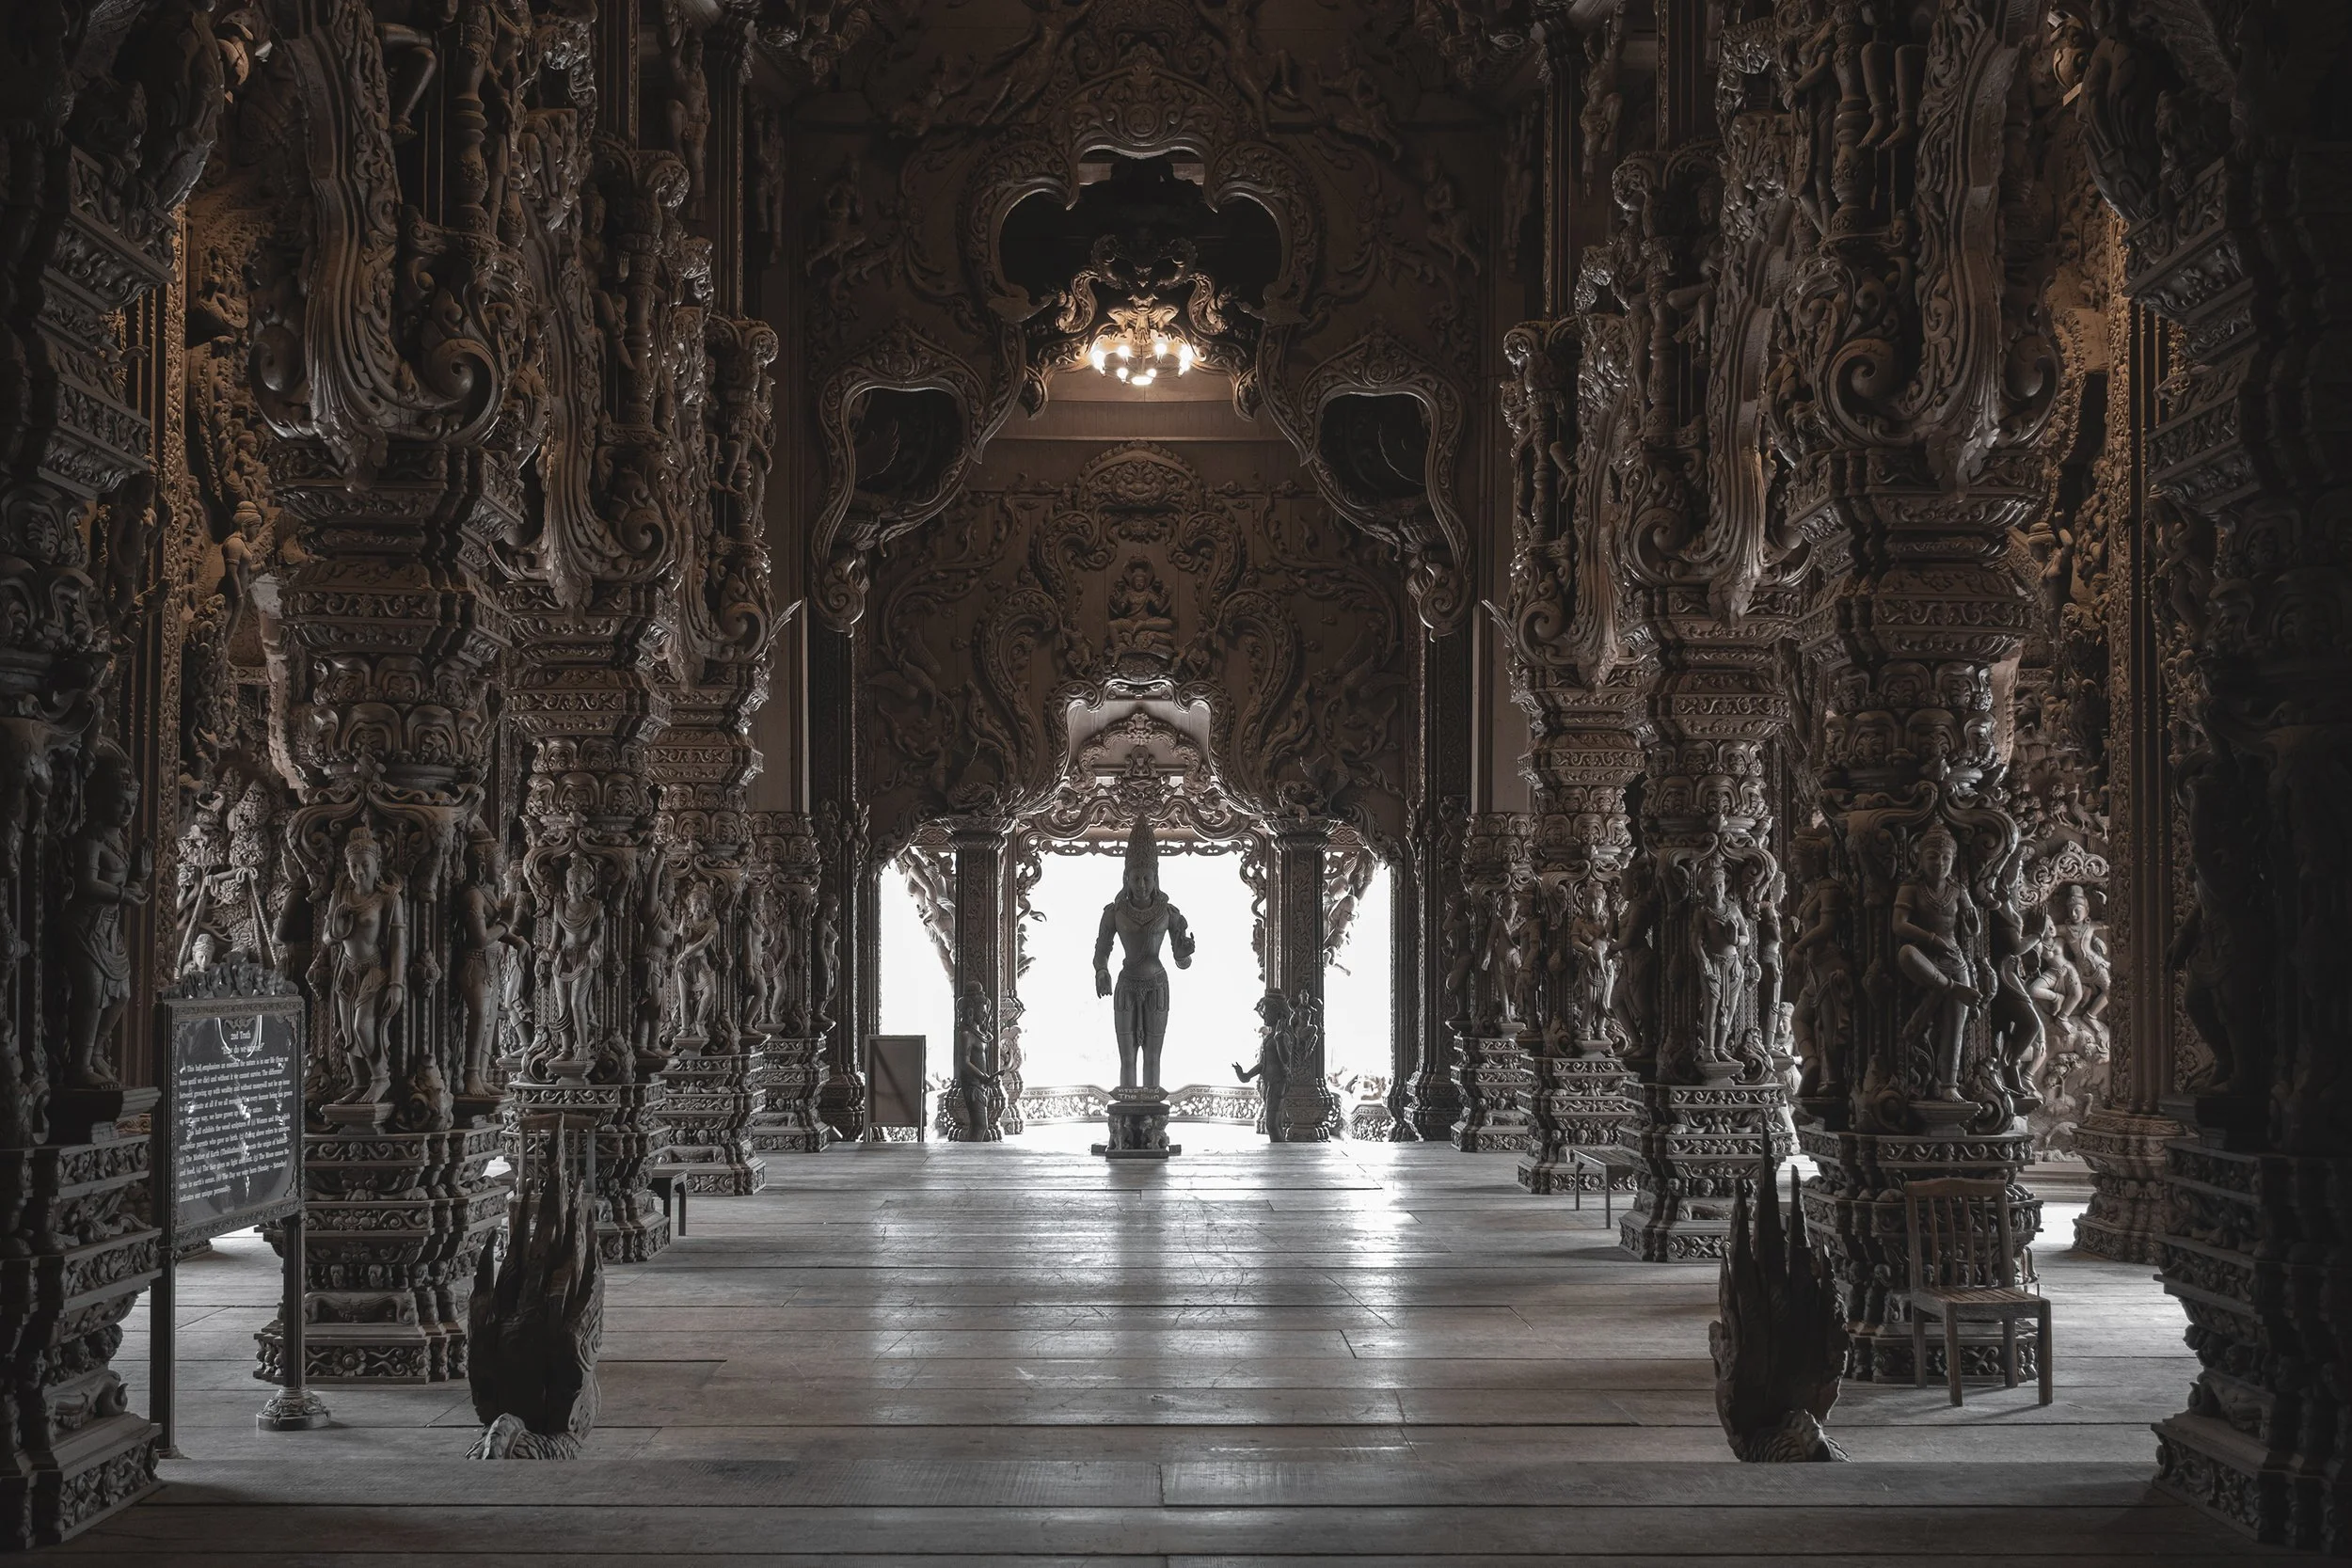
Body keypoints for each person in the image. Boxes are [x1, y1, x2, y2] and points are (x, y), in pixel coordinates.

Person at [1093, 821, 1194, 1090]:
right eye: (1136, 878)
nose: (1141, 884)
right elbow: (1101, 951)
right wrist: (1101, 971)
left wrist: (1183, 954)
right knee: (1127, 1058)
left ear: (1155, 878)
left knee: (1152, 1056)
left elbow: (1182, 961)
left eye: (1147, 878)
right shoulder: (1114, 913)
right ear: (1126, 877)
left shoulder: (1169, 913)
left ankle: (1151, 1103)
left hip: (1157, 984)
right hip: (1126, 984)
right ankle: (1127, 1102)